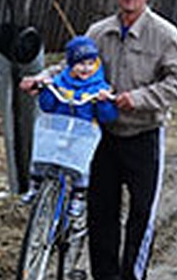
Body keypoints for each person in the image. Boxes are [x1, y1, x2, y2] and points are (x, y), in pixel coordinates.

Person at [24, 0, 177, 280]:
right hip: (101, 133)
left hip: (143, 133)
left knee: (141, 213)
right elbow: (72, 68)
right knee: (102, 209)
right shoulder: (99, 31)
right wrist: (43, 78)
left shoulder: (164, 34)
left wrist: (140, 98)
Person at [28, 34, 118, 221]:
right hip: (58, 128)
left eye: (90, 63)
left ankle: (78, 196)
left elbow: (107, 116)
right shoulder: (61, 81)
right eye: (80, 64)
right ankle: (35, 185)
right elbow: (47, 106)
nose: (85, 68)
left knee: (81, 166)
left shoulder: (99, 85)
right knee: (41, 155)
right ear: (70, 64)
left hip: (82, 134)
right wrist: (47, 90)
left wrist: (103, 101)